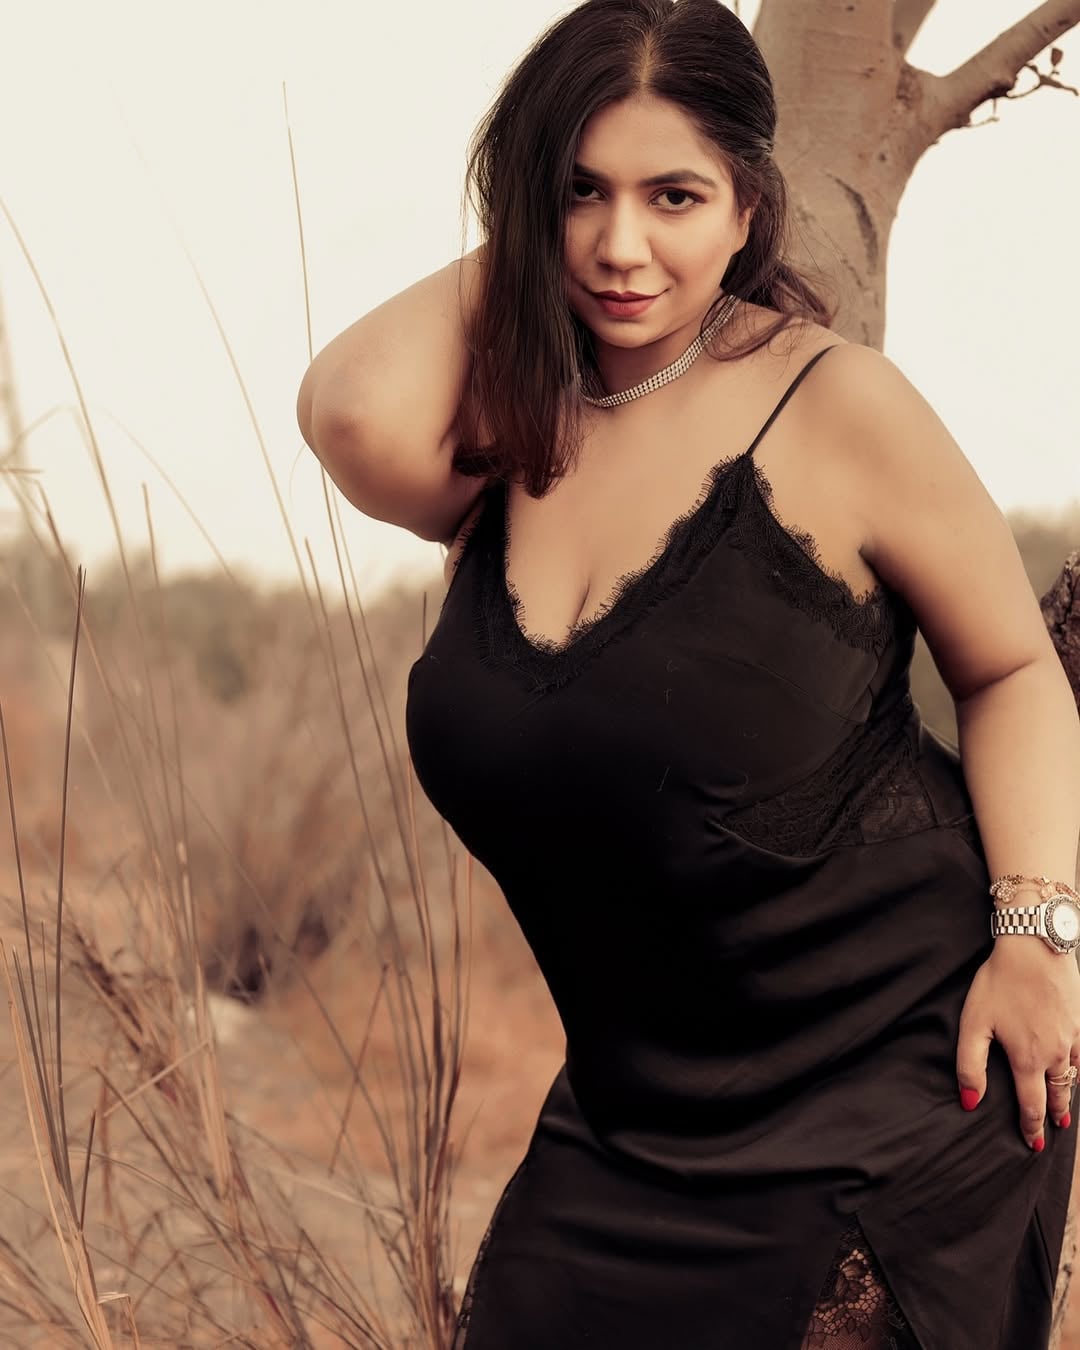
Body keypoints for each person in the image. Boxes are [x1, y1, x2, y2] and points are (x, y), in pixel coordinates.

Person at [296, 1, 1080, 1346]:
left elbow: (1011, 669)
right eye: (580, 192)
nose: (621, 246)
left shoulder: (837, 404)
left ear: (748, 207)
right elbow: (351, 407)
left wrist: (1040, 939)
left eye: (675, 196)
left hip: (896, 1089)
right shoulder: (510, 439)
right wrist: (536, 199)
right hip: (624, 1126)